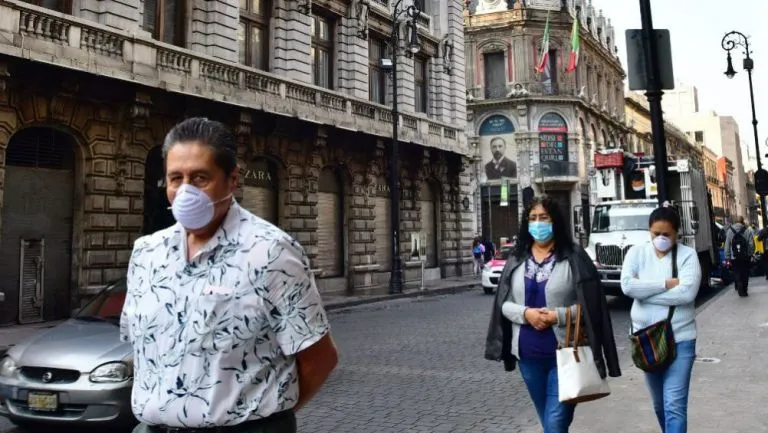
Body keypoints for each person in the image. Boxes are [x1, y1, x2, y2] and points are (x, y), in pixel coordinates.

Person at [120, 118, 339, 433]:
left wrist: (268, 418)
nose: (184, 191)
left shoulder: (271, 252)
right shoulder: (146, 254)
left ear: (232, 179)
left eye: (200, 178)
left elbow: (320, 358)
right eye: (175, 178)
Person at [484, 195, 620, 433]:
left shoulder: (574, 257)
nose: (538, 223)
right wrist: (527, 314)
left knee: (555, 423)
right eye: (533, 218)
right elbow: (503, 304)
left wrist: (557, 316)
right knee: (549, 419)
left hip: (567, 354)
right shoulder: (517, 257)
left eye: (543, 217)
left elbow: (591, 307)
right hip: (527, 355)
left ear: (554, 220)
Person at [620, 206, 701, 433]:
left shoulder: (688, 255)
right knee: (659, 405)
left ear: (677, 234)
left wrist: (643, 294)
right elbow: (627, 286)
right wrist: (665, 284)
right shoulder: (636, 253)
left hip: (680, 339)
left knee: (673, 404)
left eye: (667, 234)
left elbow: (686, 294)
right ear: (649, 231)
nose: (661, 238)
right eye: (656, 234)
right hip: (646, 340)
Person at [725, 216, 754, 297]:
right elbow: (751, 244)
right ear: (742, 222)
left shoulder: (730, 231)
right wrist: (750, 253)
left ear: (735, 222)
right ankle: (744, 289)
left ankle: (739, 283)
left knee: (737, 272)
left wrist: (727, 256)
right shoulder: (747, 230)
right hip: (745, 256)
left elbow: (727, 245)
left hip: (734, 257)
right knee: (745, 272)